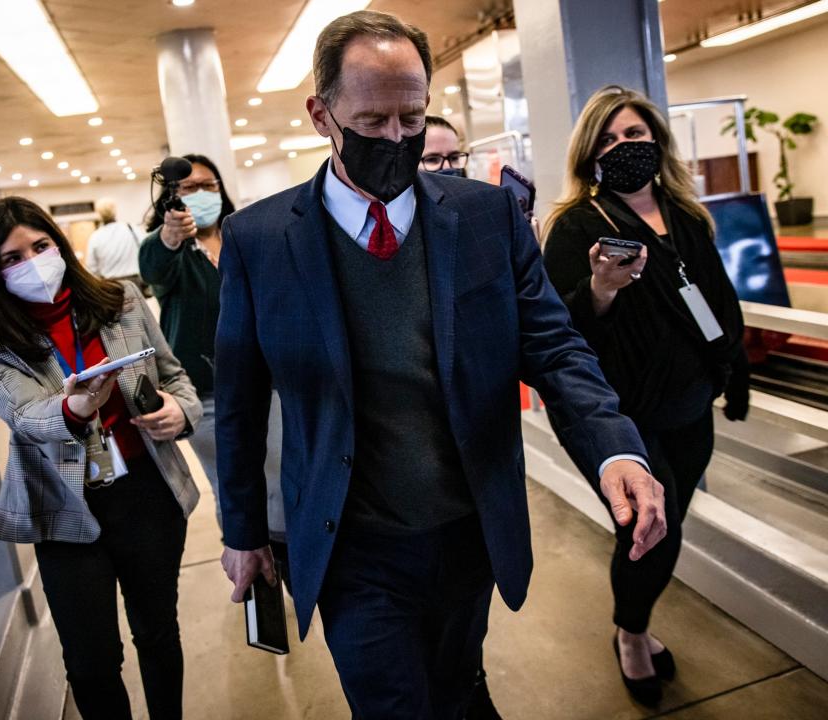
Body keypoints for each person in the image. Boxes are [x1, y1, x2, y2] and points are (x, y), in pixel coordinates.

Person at [215, 11, 667, 719]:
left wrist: (615, 452)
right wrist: (241, 531)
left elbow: (553, 345)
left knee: (457, 684)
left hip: (466, 530)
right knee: (392, 702)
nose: (396, 138)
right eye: (373, 120)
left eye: (411, 117)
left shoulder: (486, 217)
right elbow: (239, 400)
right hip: (351, 544)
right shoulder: (261, 240)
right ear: (320, 113)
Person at [542, 85, 750, 707]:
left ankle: (633, 621)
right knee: (650, 530)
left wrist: (733, 367)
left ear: (655, 138)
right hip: (620, 417)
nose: (623, 147)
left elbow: (717, 300)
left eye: (633, 134)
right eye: (607, 140)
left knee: (673, 516)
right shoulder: (576, 226)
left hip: (689, 403)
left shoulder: (687, 217)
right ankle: (632, 635)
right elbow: (559, 336)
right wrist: (603, 287)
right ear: (590, 154)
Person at [0, 197, 203, 720]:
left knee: (158, 630)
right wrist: (74, 406)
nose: (32, 262)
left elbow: (175, 375)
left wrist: (181, 412)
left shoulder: (122, 300)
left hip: (145, 492)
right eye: (11, 257)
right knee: (91, 663)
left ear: (60, 245)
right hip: (65, 509)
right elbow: (23, 414)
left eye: (40, 246)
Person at [420, 114, 501, 720]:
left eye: (454, 158)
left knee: (459, 642)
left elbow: (538, 342)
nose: (446, 170)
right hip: (377, 508)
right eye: (433, 160)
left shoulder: (483, 225)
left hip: (465, 489)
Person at [140, 154, 233, 521]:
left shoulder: (238, 235)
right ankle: (251, 567)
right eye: (190, 187)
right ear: (172, 195)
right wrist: (169, 236)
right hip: (206, 389)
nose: (203, 192)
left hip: (263, 382)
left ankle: (282, 558)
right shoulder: (170, 246)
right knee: (232, 481)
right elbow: (153, 267)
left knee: (278, 476)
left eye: (210, 185)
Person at [84, 197, 149, 296]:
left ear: (99, 214)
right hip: (134, 282)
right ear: (115, 211)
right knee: (138, 310)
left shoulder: (95, 236)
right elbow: (146, 251)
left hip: (110, 285)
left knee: (117, 311)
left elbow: (91, 267)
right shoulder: (131, 228)